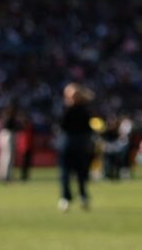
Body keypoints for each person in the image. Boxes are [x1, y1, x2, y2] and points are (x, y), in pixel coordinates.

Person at [58, 83, 95, 212]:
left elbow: (87, 128)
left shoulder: (83, 110)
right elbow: (62, 125)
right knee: (65, 173)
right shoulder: (66, 109)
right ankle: (66, 197)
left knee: (81, 173)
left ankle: (83, 195)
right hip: (68, 144)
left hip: (79, 144)